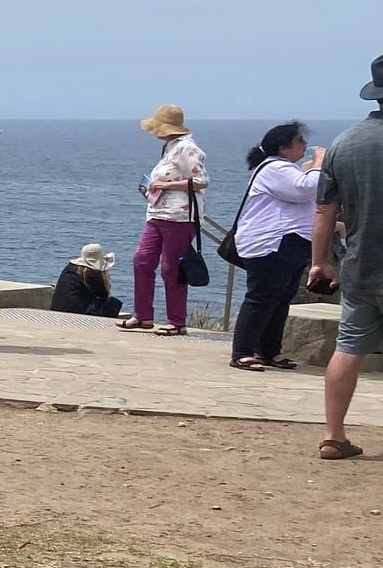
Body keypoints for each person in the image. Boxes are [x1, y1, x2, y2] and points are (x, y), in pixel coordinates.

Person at [311, 55, 383, 461]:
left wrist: (320, 261)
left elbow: (324, 212)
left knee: (349, 346)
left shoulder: (344, 143)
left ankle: (333, 436)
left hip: (360, 264)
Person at [230, 122, 321, 372]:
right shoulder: (275, 168)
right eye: (300, 141)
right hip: (271, 242)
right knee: (261, 296)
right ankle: (243, 351)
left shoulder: (286, 168)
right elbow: (304, 189)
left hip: (291, 241)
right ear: (283, 148)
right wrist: (318, 164)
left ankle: (269, 350)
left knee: (282, 298)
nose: (305, 146)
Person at [122, 103, 208, 336]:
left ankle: (177, 321)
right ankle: (142, 314)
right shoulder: (170, 147)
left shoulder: (188, 148)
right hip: (157, 213)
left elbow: (201, 181)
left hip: (180, 216)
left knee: (172, 267)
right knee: (142, 259)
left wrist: (166, 185)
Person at [50, 244, 123, 318]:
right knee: (113, 303)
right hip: (77, 314)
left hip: (58, 309)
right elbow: (104, 294)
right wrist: (105, 277)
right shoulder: (91, 273)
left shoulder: (69, 268)